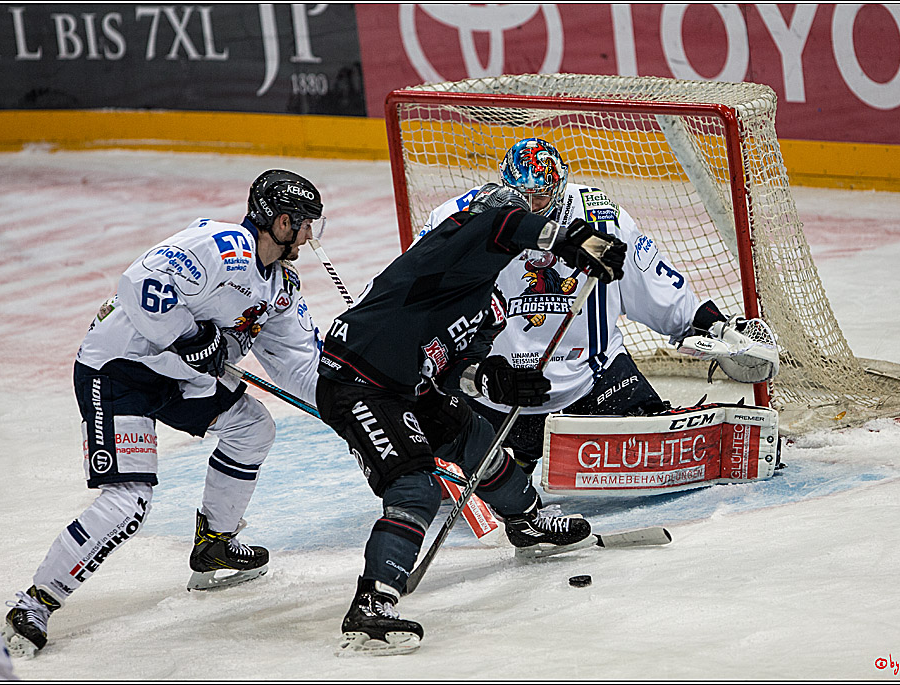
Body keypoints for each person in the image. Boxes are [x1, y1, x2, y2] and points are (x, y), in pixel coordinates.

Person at [1, 169, 327, 658]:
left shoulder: (280, 288)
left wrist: (348, 404)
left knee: (252, 427)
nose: (309, 237)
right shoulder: (221, 246)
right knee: (129, 502)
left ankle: (213, 542)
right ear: (281, 223)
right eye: (305, 225)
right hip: (120, 370)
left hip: (178, 380)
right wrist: (194, 339)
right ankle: (36, 602)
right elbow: (141, 283)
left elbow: (299, 365)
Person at [315, 183, 627, 654]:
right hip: (358, 384)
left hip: (413, 387)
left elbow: (461, 370)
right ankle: (372, 603)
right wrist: (573, 239)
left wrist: (496, 380)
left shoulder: (486, 298)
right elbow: (500, 224)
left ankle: (526, 521)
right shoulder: (447, 245)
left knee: (479, 443)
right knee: (414, 487)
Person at [420, 137, 742, 475]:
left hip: (592, 380)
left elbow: (651, 281)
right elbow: (418, 294)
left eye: (540, 197)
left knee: (651, 435)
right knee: (435, 446)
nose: (530, 207)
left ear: (559, 190)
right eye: (520, 197)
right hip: (497, 386)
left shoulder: (598, 216)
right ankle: (508, 453)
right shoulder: (461, 215)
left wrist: (706, 322)